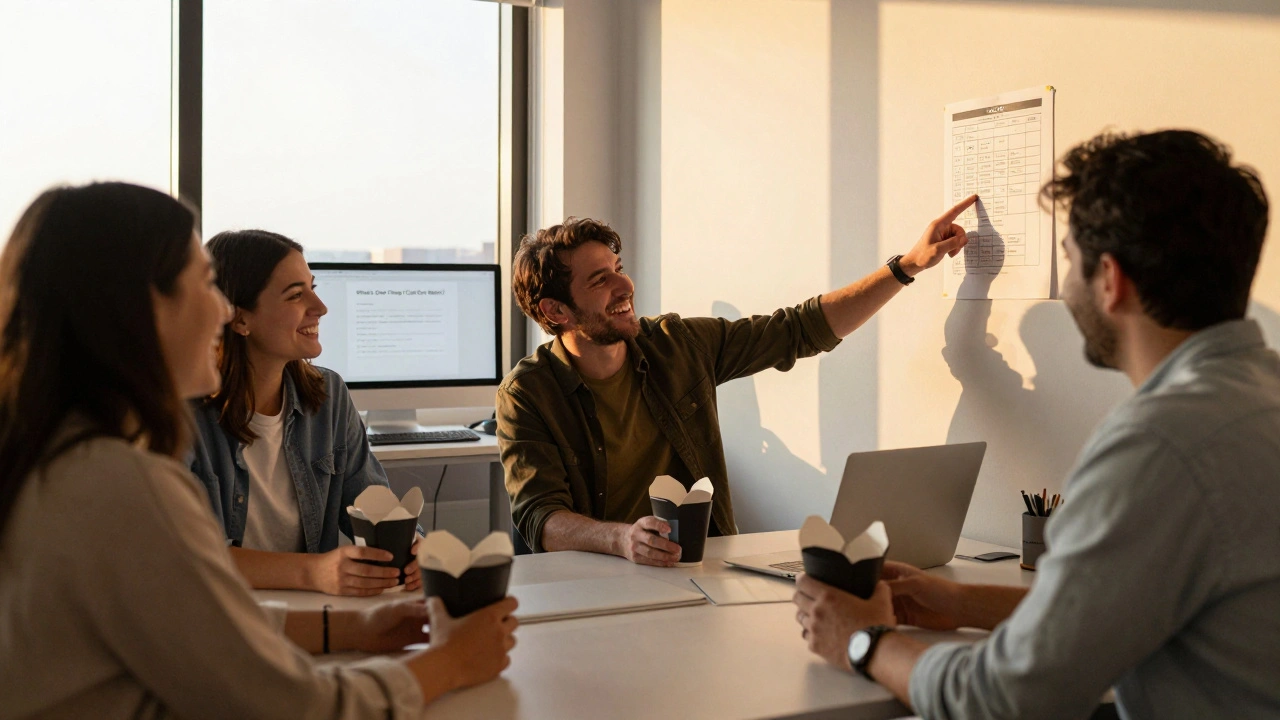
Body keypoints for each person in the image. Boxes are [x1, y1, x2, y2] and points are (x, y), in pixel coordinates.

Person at [793, 130, 1280, 719]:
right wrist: (960, 601)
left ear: (1111, 280)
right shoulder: (1257, 397)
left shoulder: (1160, 446)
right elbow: (1114, 611)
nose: (1065, 288)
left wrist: (864, 641)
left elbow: (1008, 698)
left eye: (1069, 262)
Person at [0, 182, 518, 718]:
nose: (221, 310)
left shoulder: (57, 456)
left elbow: (193, 619)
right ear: (139, 308)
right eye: (205, 284)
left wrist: (349, 625)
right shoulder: (123, 483)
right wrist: (452, 662)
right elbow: (293, 706)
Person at [499, 198, 977, 563]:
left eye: (618, 270)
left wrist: (908, 266)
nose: (624, 287)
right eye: (599, 280)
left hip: (699, 571)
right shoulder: (528, 395)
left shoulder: (677, 344)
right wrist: (622, 538)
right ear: (555, 310)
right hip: (595, 585)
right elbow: (541, 519)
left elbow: (798, 329)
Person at [189, 229, 419, 596]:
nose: (320, 307)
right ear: (240, 318)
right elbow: (192, 558)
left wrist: (410, 545)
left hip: (314, 608)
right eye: (296, 295)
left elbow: (369, 500)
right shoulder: (183, 416)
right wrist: (315, 572)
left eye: (313, 286)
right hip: (226, 615)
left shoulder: (329, 396)